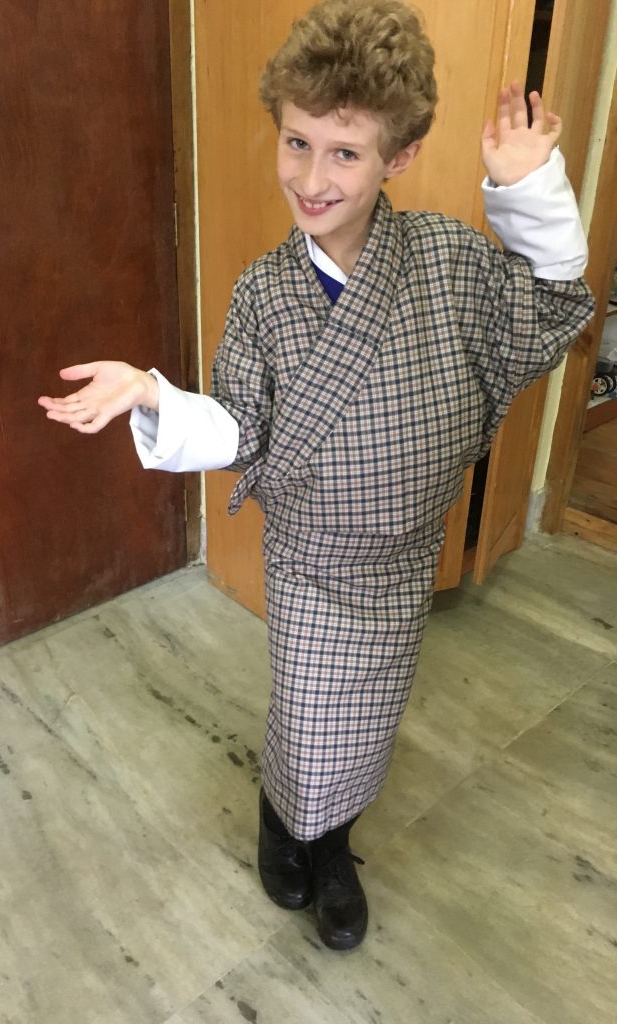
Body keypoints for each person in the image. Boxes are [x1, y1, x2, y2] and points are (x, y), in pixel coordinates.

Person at [38, 0, 594, 952]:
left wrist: (529, 190)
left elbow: (546, 312)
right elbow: (240, 427)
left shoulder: (450, 261)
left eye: (344, 153)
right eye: (296, 143)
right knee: (309, 712)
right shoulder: (263, 293)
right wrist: (151, 394)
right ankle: (284, 823)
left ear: (398, 157)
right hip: (311, 562)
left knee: (371, 717)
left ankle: (331, 845)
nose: (311, 176)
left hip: (402, 560)